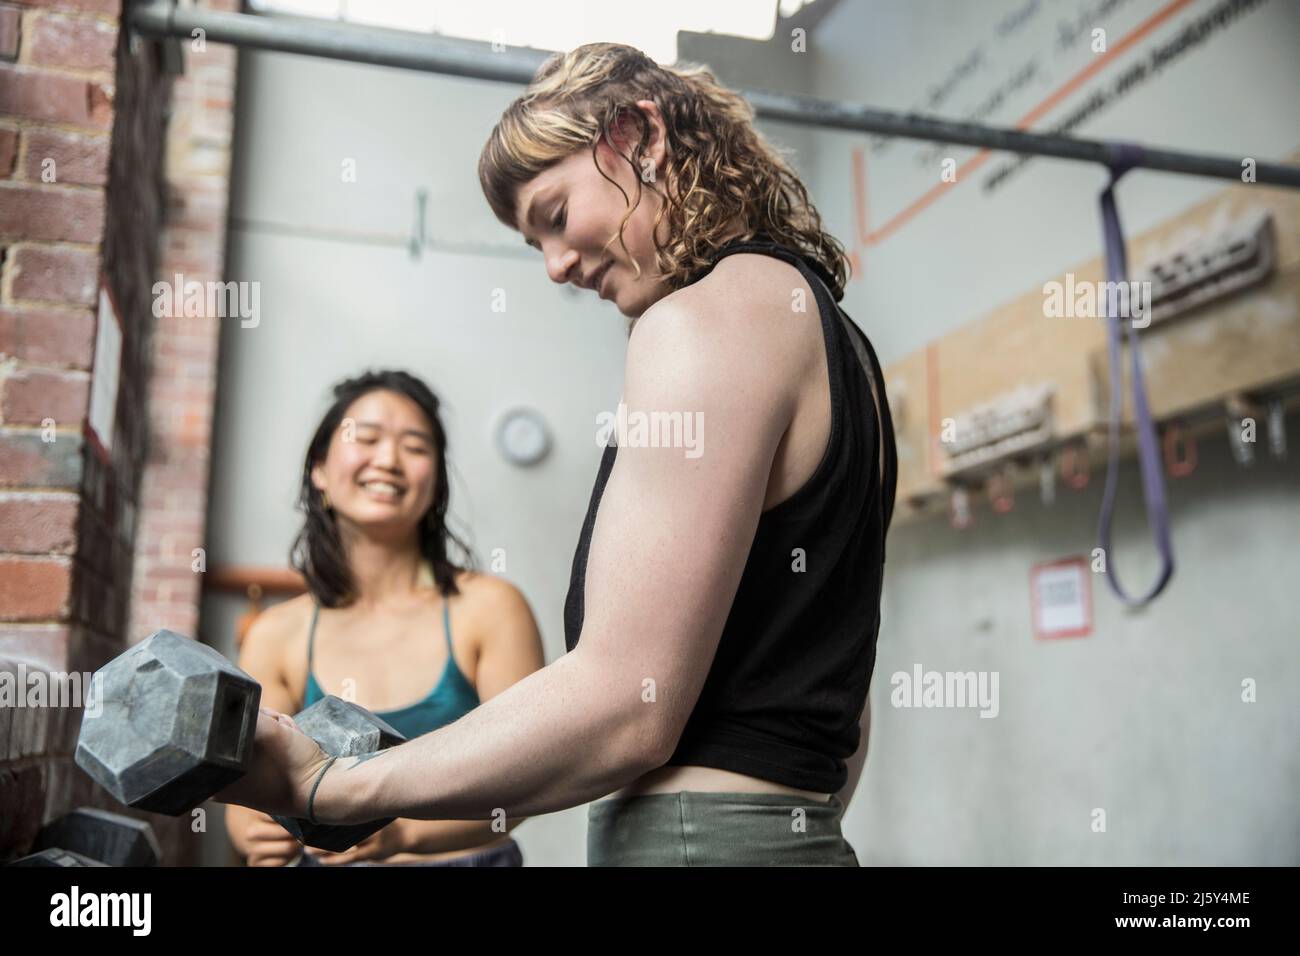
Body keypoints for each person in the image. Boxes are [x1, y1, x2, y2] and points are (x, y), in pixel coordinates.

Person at [217, 42, 897, 867]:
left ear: (638, 136)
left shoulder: (699, 321)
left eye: (554, 215)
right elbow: (842, 695)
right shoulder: (834, 339)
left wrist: (330, 790)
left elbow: (624, 706)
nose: (555, 267)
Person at [224, 369, 545, 866]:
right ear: (320, 470)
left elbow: (526, 781)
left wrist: (402, 836)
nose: (389, 460)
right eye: (365, 439)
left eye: (415, 447)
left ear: (435, 479)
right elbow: (247, 782)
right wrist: (254, 833)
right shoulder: (276, 633)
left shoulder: (491, 608)